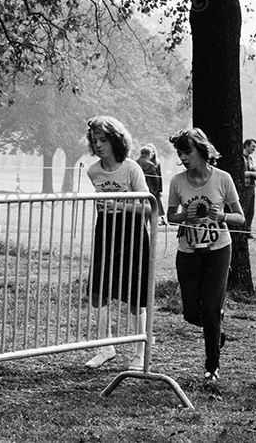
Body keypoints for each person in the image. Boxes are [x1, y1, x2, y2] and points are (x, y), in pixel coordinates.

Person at [166, 128, 245, 386]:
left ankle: (212, 367)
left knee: (211, 308)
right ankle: (216, 331)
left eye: (187, 152)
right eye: (179, 153)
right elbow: (170, 216)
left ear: (201, 151)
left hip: (218, 251)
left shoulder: (223, 179)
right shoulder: (178, 181)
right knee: (191, 313)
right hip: (188, 253)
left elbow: (240, 217)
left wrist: (219, 216)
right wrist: (185, 215)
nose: (183, 157)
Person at [83, 116, 150, 371]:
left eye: (104, 140)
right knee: (98, 291)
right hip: (106, 232)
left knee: (135, 296)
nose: (98, 145)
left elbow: (147, 205)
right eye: (95, 140)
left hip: (132, 233)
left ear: (116, 140)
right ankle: (105, 347)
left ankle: (139, 352)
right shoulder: (93, 171)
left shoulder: (131, 168)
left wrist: (119, 204)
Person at [136, 144, 166, 224]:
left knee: (142, 212)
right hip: (151, 191)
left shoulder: (135, 163)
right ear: (149, 154)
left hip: (138, 191)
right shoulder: (151, 165)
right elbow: (156, 179)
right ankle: (153, 232)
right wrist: (157, 190)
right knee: (152, 211)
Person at [240, 138, 256, 239]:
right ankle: (241, 231)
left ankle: (248, 232)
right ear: (246, 145)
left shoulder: (250, 159)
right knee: (245, 209)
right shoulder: (241, 158)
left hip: (252, 187)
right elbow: (241, 173)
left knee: (251, 211)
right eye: (252, 146)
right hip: (245, 187)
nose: (254, 149)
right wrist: (253, 173)